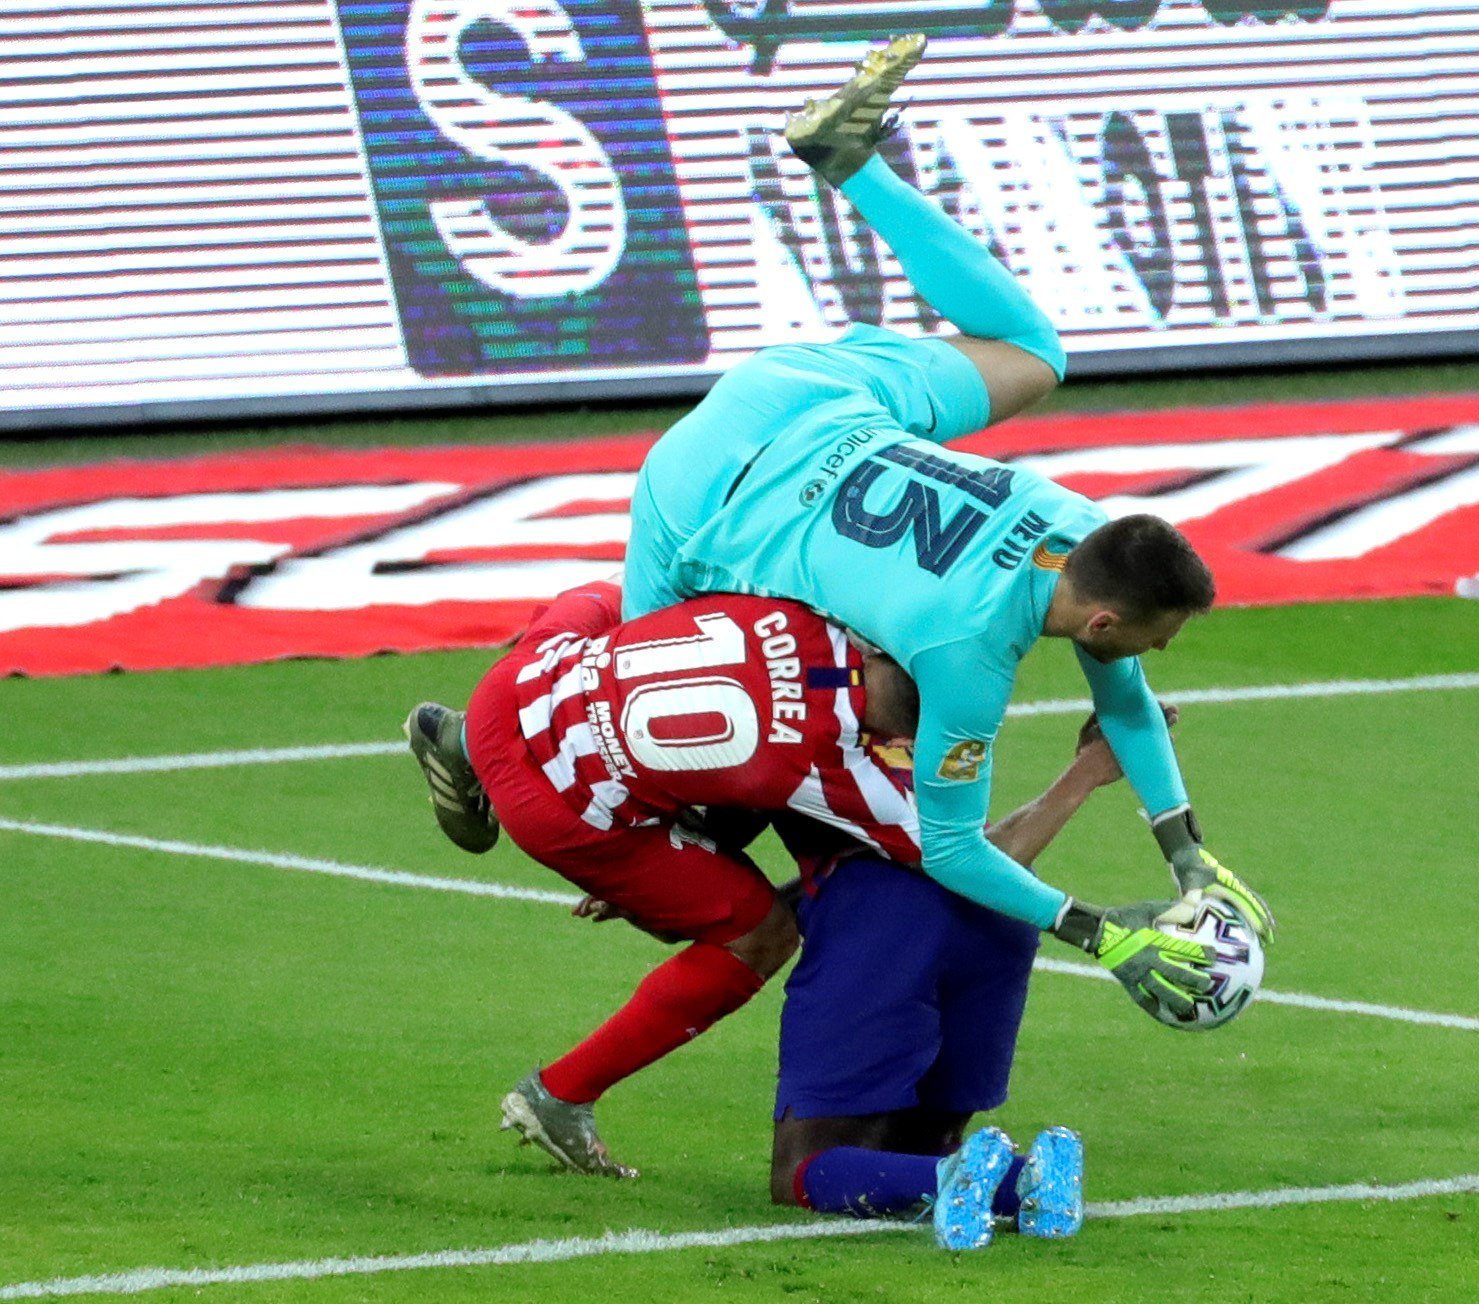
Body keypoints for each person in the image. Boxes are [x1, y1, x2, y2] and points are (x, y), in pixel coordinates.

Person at [612, 34, 1274, 1017]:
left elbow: (1125, 701)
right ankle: (483, 749)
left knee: (1031, 349)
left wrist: (1188, 852)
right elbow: (952, 846)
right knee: (640, 771)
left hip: (797, 397)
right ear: (1100, 622)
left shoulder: (1083, 527)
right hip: (695, 498)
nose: (1159, 649)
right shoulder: (965, 654)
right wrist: (1101, 930)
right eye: (1157, 635)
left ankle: (850, 163)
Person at [406, 578, 928, 1177]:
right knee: (761, 935)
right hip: (554, 805)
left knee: (621, 595)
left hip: (522, 683)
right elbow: (964, 859)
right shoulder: (838, 762)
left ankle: (464, 738)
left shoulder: (802, 604)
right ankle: (560, 1094)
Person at [768, 710, 1173, 1250]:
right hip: (1002, 913)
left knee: (805, 1165)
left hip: (883, 919)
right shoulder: (942, 717)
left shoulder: (796, 716)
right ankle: (1024, 1181)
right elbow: (977, 847)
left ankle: (990, 1180)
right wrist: (1088, 770)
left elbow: (925, 860)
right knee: (926, 1144)